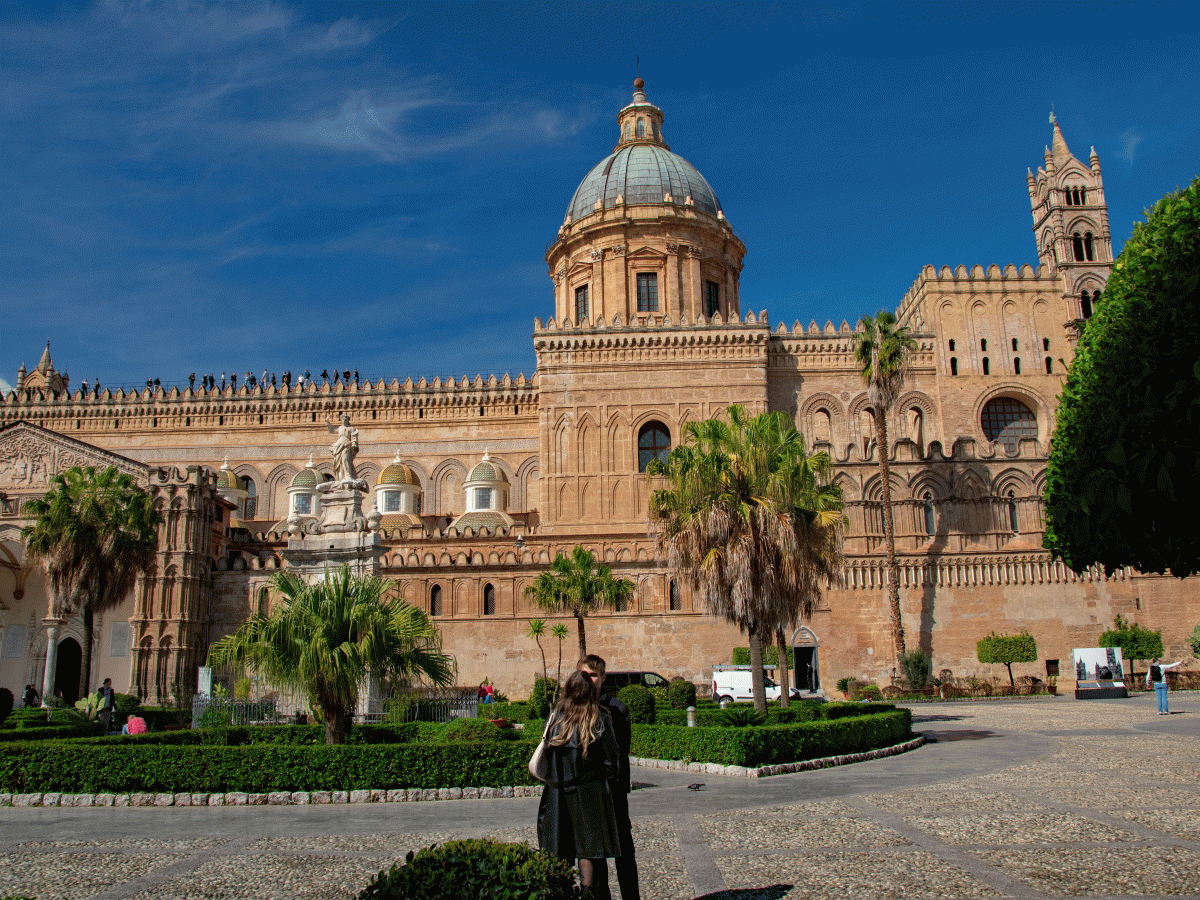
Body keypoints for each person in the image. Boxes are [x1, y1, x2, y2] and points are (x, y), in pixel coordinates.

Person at [538, 670, 621, 900]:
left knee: (558, 845)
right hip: (589, 790)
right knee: (589, 849)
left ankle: (562, 893)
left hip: (556, 792)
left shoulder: (555, 718)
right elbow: (612, 757)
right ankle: (588, 894)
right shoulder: (599, 717)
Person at [579, 654, 640, 900]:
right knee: (596, 854)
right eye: (585, 674)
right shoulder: (571, 712)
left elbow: (619, 751)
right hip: (588, 794)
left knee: (624, 851)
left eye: (594, 675)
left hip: (613, 791)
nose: (589, 679)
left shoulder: (617, 709)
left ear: (603, 678)